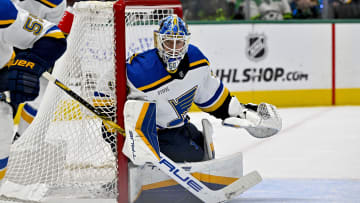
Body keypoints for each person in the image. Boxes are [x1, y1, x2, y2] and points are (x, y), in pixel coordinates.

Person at [125, 14, 281, 163]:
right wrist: (114, 130)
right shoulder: (140, 70)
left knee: (200, 145)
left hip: (178, 128)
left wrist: (242, 113)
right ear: (159, 41)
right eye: (168, 42)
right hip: (149, 136)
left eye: (178, 42)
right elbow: (108, 90)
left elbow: (212, 97)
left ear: (186, 42)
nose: (173, 49)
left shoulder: (196, 60)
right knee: (193, 154)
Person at [0, 0, 67, 183]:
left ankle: (23, 137)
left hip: (14, 50)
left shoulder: (3, 10)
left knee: (1, 131)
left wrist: (31, 63)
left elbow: (52, 35)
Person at [12, 0, 74, 142]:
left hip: (31, 47)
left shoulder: (58, 4)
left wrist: (40, 57)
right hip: (7, 43)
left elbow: (50, 34)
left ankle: (21, 139)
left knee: (40, 92)